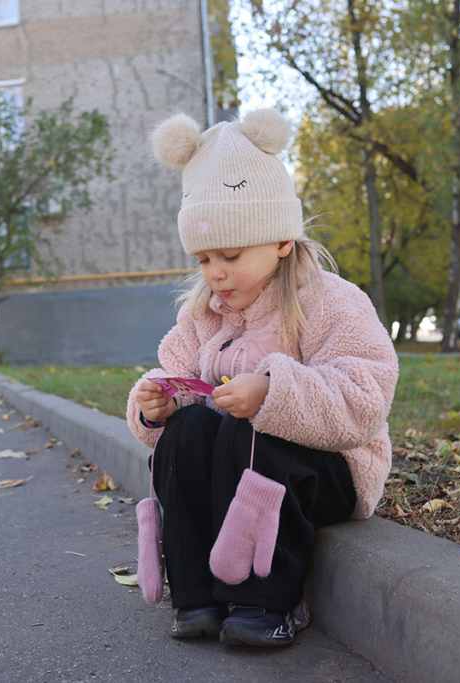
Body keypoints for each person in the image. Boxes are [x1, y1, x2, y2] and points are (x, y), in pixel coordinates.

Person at [126, 109, 398, 648]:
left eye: (229, 255)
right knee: (188, 431)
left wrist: (274, 393)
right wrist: (155, 404)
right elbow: (176, 371)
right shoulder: (203, 315)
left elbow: (366, 398)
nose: (215, 273)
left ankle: (267, 601)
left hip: (329, 472)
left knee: (252, 430)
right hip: (229, 470)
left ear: (279, 240)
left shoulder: (331, 303)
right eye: (203, 259)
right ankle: (196, 594)